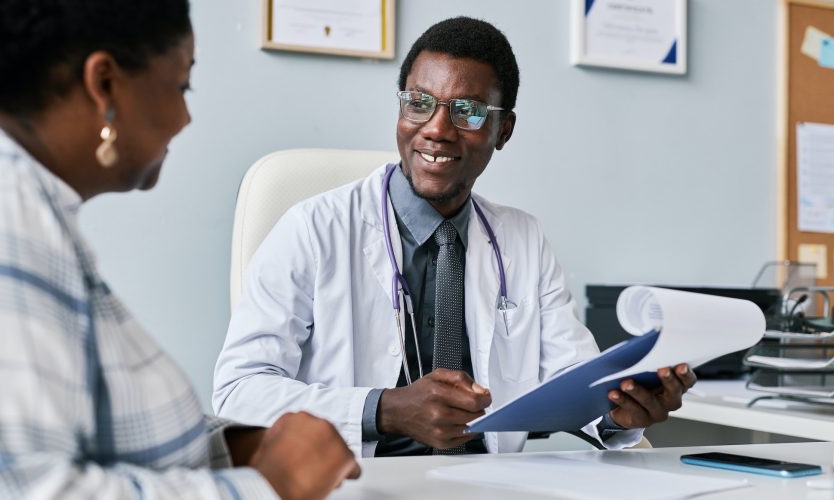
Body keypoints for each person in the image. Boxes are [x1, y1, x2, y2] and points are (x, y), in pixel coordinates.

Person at [213, 17, 697, 458]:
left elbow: (576, 382)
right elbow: (237, 391)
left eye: (466, 111)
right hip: (360, 484)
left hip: (488, 484)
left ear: (502, 129)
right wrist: (385, 409)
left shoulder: (522, 239)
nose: (437, 130)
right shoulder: (313, 228)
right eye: (419, 103)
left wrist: (617, 413)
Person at [0, 1, 359, 498]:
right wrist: (272, 485)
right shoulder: (8, 216)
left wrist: (236, 446)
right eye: (181, 85)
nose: (186, 117)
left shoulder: (34, 206)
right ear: (104, 84)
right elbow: (27, 488)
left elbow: (105, 434)